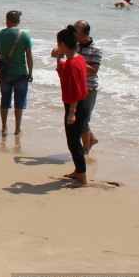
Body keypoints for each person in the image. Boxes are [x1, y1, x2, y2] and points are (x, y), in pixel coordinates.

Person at [55, 25, 89, 188]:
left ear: (62, 44)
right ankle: (78, 170)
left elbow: (74, 89)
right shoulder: (78, 58)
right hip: (80, 104)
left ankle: (82, 178)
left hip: (75, 105)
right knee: (74, 140)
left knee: (73, 142)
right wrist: (58, 58)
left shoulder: (72, 64)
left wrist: (72, 113)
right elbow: (62, 74)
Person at [0, 9, 33, 135]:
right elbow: (29, 56)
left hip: (4, 73)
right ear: (18, 21)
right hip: (20, 73)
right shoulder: (24, 35)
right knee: (19, 101)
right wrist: (30, 73)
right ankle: (17, 129)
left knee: (5, 99)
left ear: (7, 20)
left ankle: (4, 127)